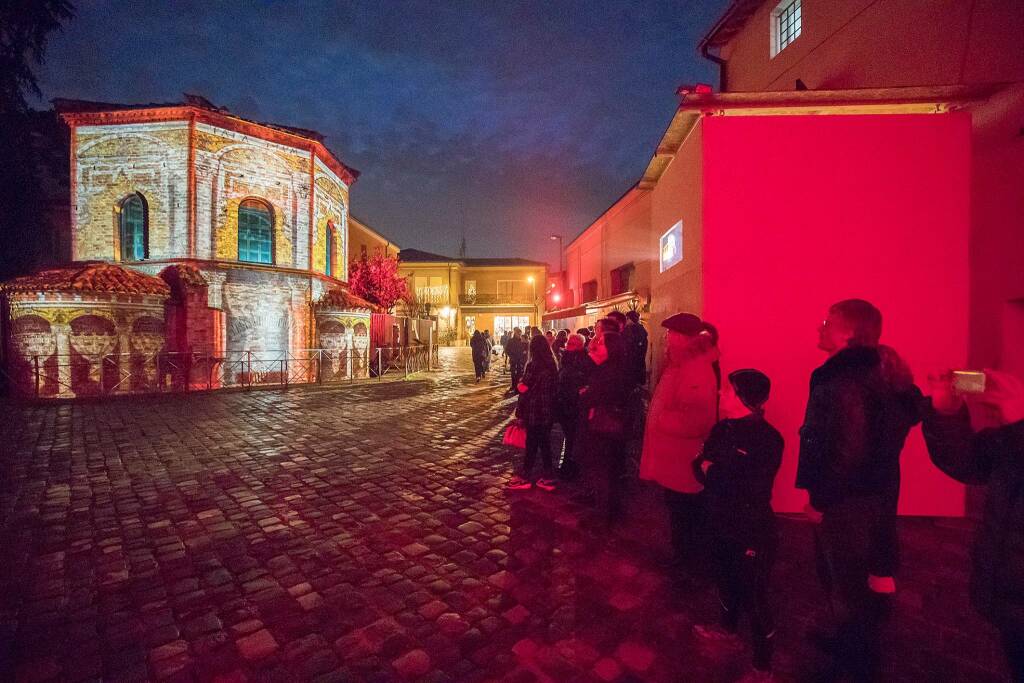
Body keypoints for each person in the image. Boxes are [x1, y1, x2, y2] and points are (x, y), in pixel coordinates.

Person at [796, 299, 924, 680]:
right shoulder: (884, 372)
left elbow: (843, 451)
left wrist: (820, 499)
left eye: (827, 322)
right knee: (864, 574)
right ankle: (860, 646)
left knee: (844, 581)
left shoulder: (841, 379)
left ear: (849, 333)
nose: (819, 327)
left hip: (846, 500)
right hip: (878, 490)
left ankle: (855, 662)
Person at [923, 369, 1024, 681]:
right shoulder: (1011, 436)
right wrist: (946, 411)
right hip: (1010, 595)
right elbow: (968, 461)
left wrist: (1020, 425)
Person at [692, 369, 784, 683]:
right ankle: (727, 628)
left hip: (751, 528)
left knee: (754, 594)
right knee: (723, 577)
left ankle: (762, 665)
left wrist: (714, 471)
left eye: (728, 391)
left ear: (745, 398)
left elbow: (752, 489)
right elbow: (698, 465)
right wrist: (715, 470)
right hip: (718, 519)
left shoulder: (769, 439)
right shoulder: (722, 429)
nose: (721, 395)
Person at [639, 313, 720, 574]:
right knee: (678, 511)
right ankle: (684, 558)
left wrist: (661, 418)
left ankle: (690, 566)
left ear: (682, 338)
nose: (666, 339)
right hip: (674, 456)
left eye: (670, 334)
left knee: (686, 513)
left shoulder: (695, 367)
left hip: (683, 458)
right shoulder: (680, 363)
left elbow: (697, 419)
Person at [578, 331, 633, 525]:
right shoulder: (607, 368)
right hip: (606, 426)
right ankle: (606, 510)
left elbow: (598, 395)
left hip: (605, 428)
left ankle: (603, 515)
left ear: (612, 348)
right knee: (605, 471)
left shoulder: (612, 372)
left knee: (603, 471)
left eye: (601, 343)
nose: (596, 346)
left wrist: (587, 394)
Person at [508, 335, 559, 491]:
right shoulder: (552, 363)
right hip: (547, 409)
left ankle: (525, 476)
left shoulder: (533, 365)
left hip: (534, 409)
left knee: (531, 443)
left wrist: (519, 383)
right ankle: (548, 477)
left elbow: (524, 387)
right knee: (544, 444)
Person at [556, 333, 590, 480]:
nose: (567, 345)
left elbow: (579, 382)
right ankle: (568, 465)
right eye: (568, 343)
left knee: (572, 437)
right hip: (565, 403)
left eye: (571, 344)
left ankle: (570, 466)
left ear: (579, 346)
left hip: (573, 404)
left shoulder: (581, 360)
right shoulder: (568, 358)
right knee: (570, 436)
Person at [622, 310, 649, 387]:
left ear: (630, 319)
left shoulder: (636, 330)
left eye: (627, 319)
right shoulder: (638, 330)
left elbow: (635, 348)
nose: (626, 321)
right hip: (637, 366)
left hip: (634, 366)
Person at [504, 327, 527, 396]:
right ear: (515, 333)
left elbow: (525, 348)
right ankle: (514, 385)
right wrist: (511, 355)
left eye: (520, 334)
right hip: (513, 360)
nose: (519, 335)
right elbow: (507, 349)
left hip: (520, 360)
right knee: (513, 373)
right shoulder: (511, 341)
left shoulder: (522, 340)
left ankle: (517, 387)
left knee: (519, 374)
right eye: (518, 334)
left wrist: (524, 354)